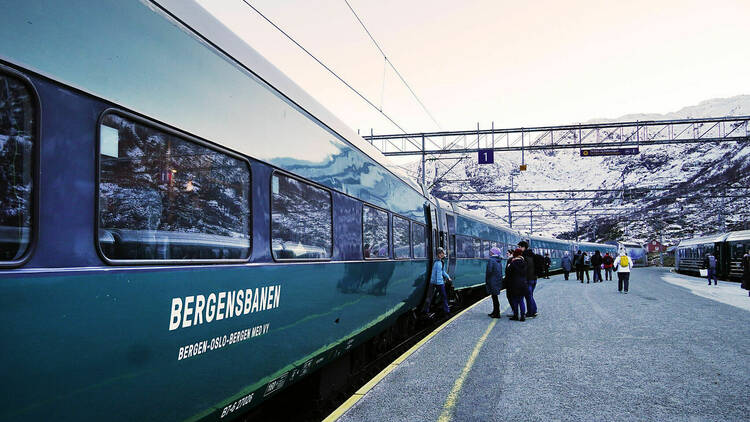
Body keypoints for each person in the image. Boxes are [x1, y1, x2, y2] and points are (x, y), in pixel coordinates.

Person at [422, 247, 452, 315]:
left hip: (440, 283)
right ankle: (425, 310)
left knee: (444, 297)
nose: (441, 254)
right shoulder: (434, 261)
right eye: (440, 253)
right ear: (438, 254)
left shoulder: (442, 262)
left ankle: (447, 311)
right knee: (429, 297)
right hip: (432, 282)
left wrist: (448, 277)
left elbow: (443, 272)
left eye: (442, 253)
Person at [504, 248, 528, 321]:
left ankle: (516, 315)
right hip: (523, 283)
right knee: (521, 300)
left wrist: (509, 267)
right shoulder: (524, 263)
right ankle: (523, 316)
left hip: (514, 284)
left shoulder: (513, 263)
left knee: (514, 300)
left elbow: (508, 273)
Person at [518, 240, 538, 318]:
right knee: (530, 295)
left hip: (528, 279)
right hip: (534, 278)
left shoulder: (524, 257)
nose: (518, 249)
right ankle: (534, 310)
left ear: (523, 247)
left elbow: (525, 269)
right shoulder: (532, 255)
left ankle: (531, 312)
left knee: (528, 296)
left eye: (519, 247)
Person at [485, 247, 504, 318]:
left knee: (494, 298)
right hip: (497, 280)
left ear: (493, 253)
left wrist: (487, 279)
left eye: (490, 251)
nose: (489, 252)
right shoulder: (498, 260)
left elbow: (489, 271)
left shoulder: (491, 260)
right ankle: (495, 311)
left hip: (492, 281)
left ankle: (497, 313)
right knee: (495, 297)